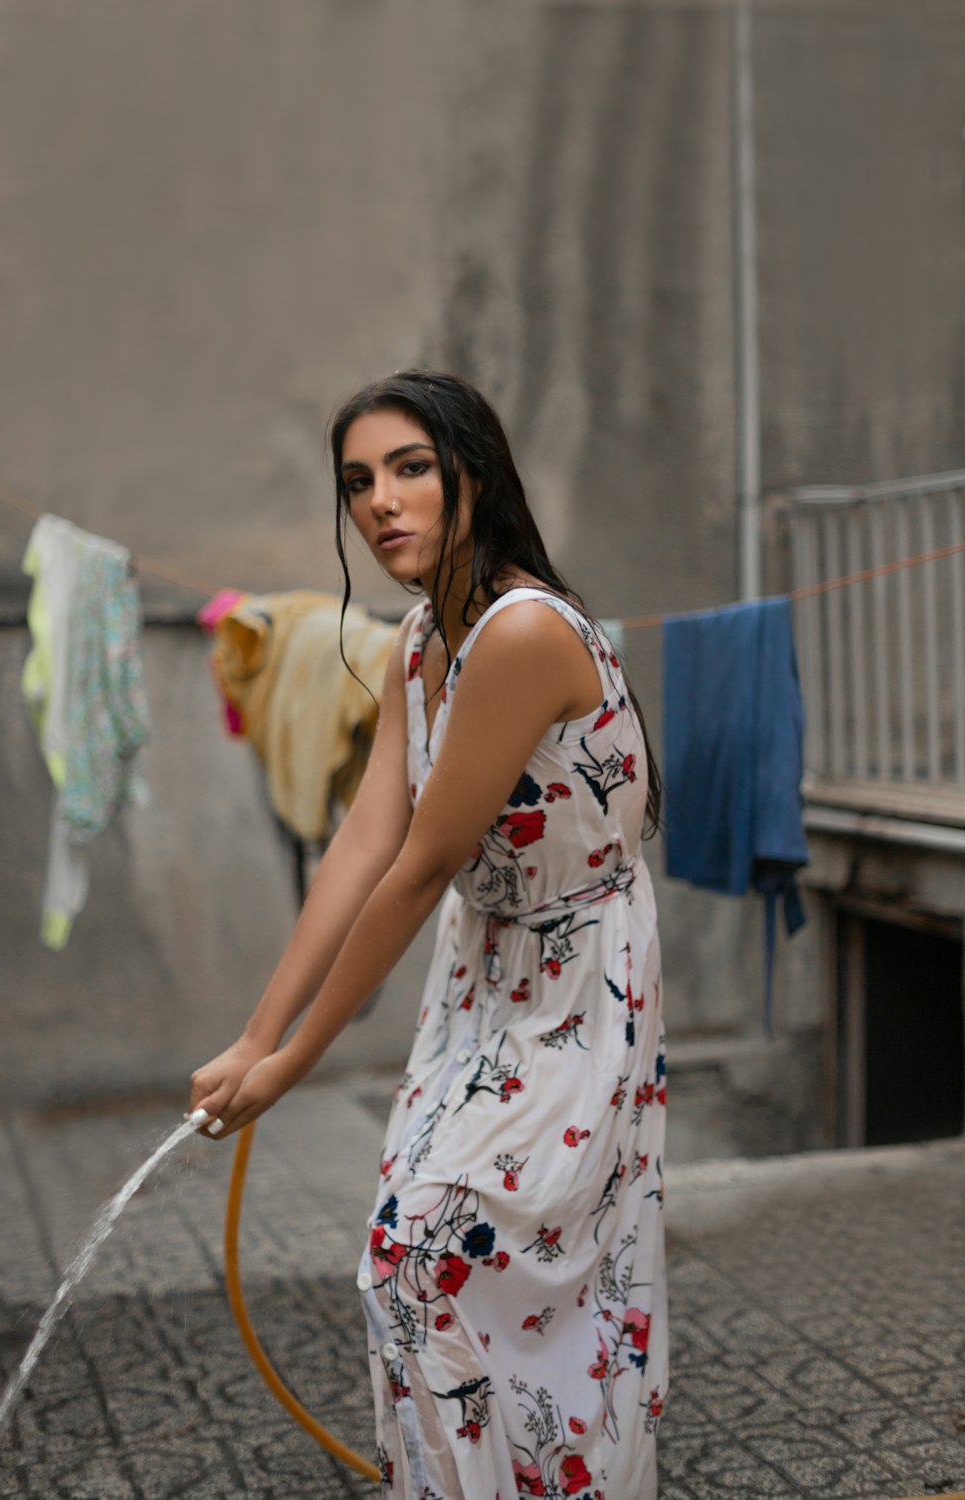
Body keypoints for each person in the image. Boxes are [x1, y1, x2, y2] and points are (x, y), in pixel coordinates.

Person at [189, 371, 668, 1499]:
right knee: (416, 1266)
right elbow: (363, 841)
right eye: (359, 481)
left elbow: (420, 866)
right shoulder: (420, 639)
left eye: (410, 467)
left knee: (432, 1259)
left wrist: (294, 1065)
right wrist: (253, 1038)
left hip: (574, 981)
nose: (379, 502)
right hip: (484, 975)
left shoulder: (518, 634)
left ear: (475, 474)